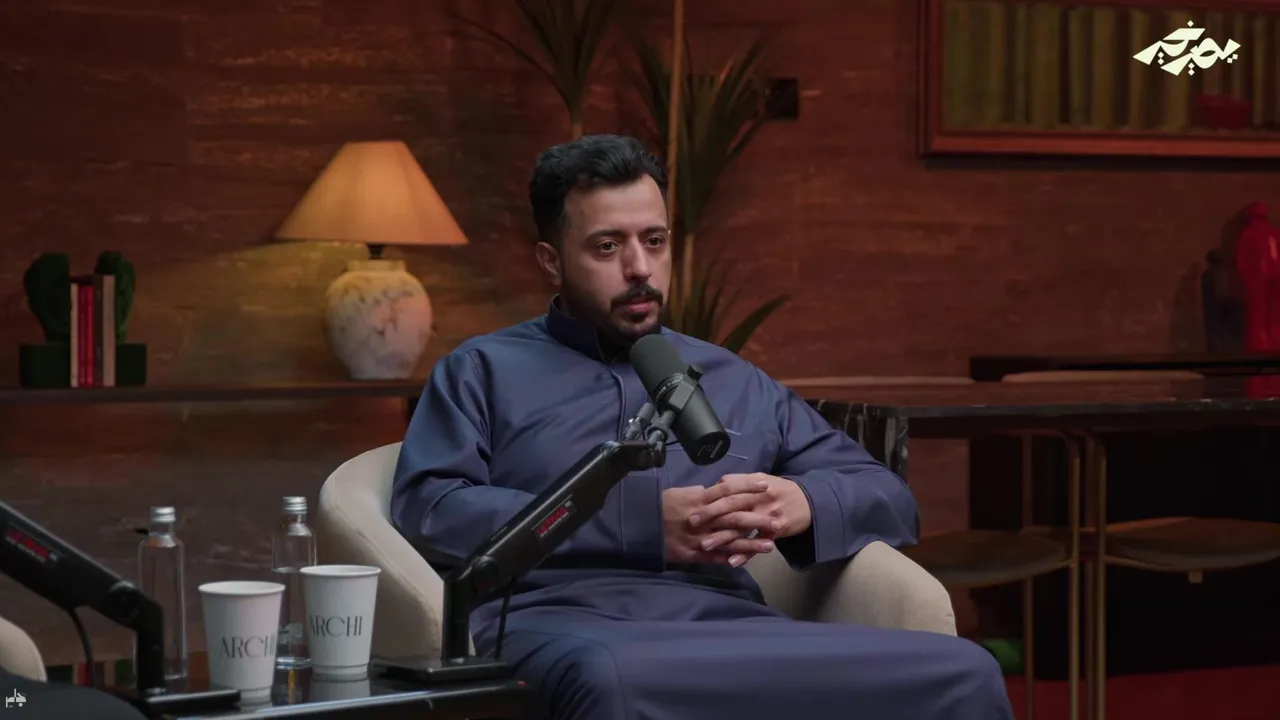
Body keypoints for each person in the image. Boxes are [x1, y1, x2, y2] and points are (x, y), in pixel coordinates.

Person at [392, 134, 1013, 720]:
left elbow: (888, 496)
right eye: (607, 247)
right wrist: (641, 523)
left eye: (654, 240)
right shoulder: (483, 370)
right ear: (551, 261)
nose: (640, 267)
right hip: (556, 622)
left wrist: (801, 501)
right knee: (610, 677)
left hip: (728, 623)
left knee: (966, 671)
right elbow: (432, 507)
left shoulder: (733, 379)